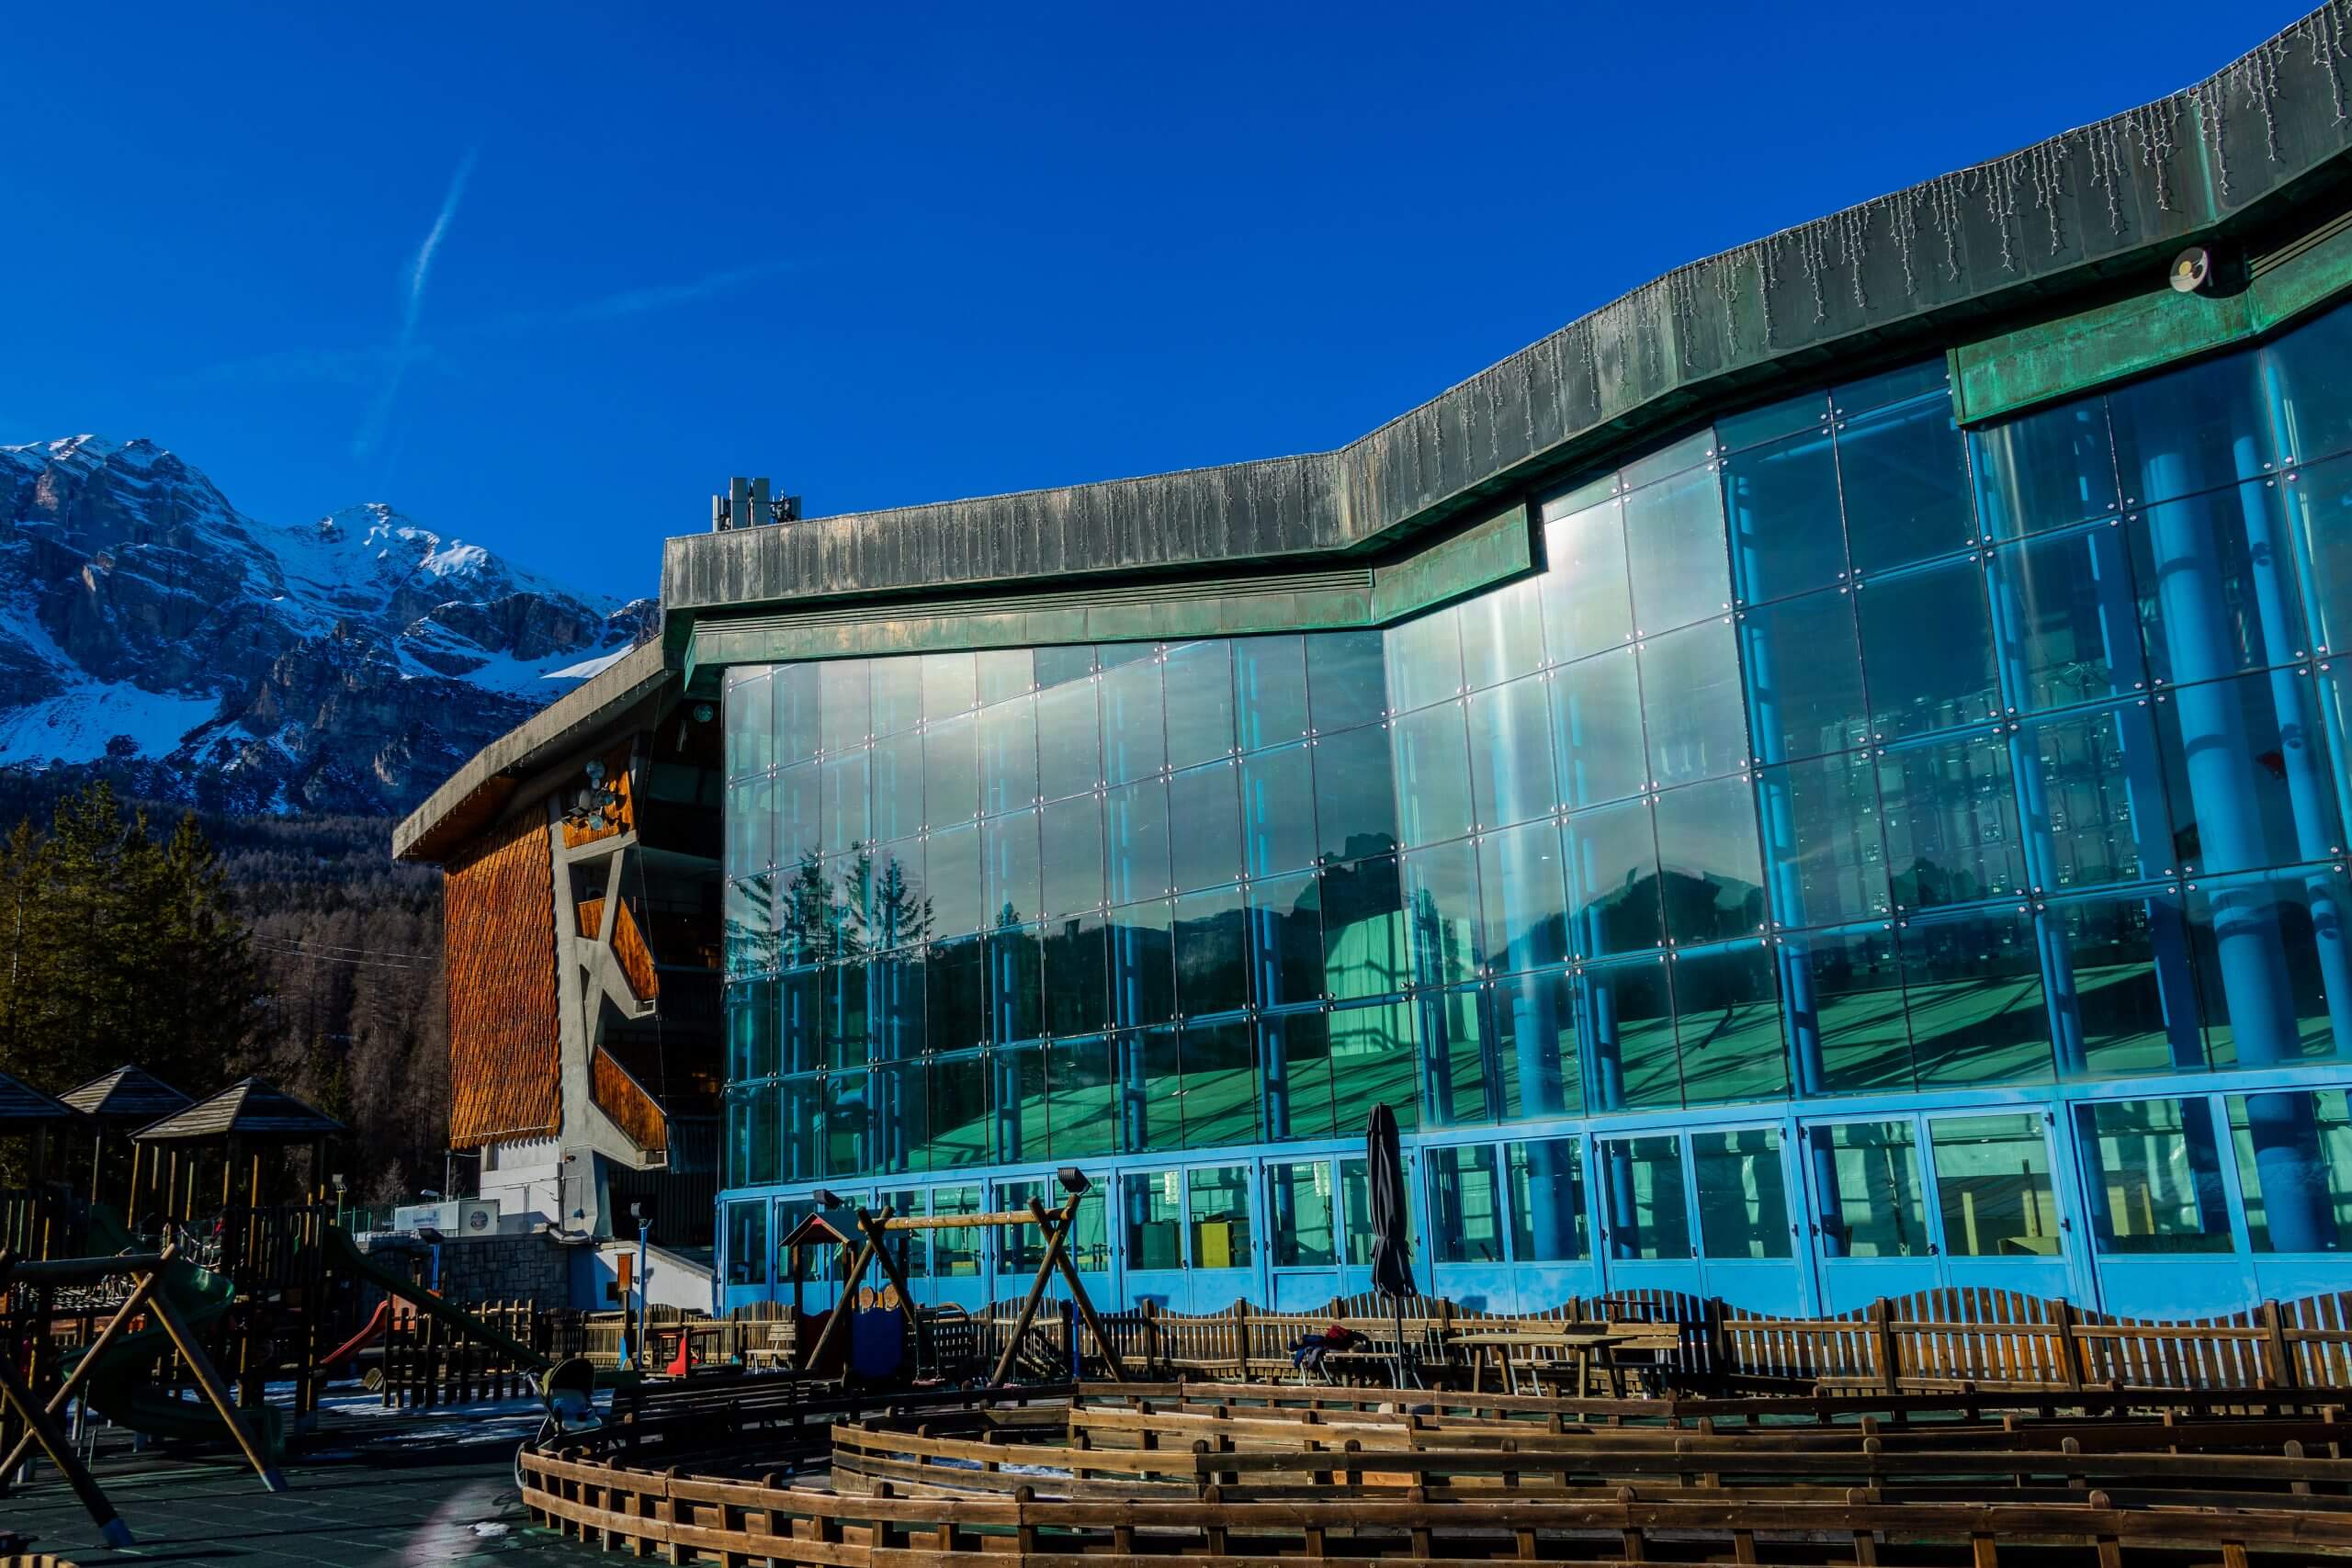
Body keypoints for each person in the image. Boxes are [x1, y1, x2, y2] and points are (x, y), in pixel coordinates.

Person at [1290, 1320, 1362, 1377]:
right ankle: (1348, 1374)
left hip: (1331, 1345)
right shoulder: (1335, 1335)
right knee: (1315, 1350)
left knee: (1315, 1350)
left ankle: (1353, 1375)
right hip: (1330, 1345)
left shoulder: (1336, 1335)